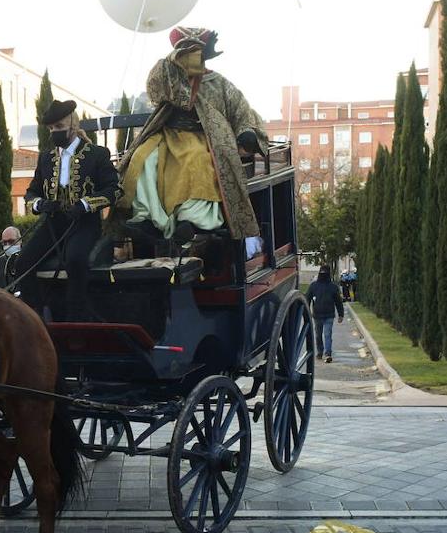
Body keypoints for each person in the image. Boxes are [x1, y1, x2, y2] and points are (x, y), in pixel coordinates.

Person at [117, 27, 268, 245]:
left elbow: (241, 110)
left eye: (196, 52)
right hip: (167, 135)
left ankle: (192, 218)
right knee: (142, 158)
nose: (192, 57)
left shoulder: (220, 83)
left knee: (196, 160)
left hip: (204, 139)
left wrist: (246, 132)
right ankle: (146, 217)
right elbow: (155, 89)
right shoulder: (169, 77)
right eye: (187, 52)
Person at [16, 99, 121, 320]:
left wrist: (84, 204)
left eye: (59, 128)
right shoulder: (46, 158)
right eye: (52, 128)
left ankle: (77, 319)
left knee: (75, 259)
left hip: (84, 223)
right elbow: (31, 192)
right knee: (23, 261)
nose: (55, 132)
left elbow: (114, 190)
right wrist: (39, 204)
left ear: (73, 126)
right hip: (54, 224)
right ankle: (33, 316)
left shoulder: (97, 154)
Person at [306, 266, 345, 363]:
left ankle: (328, 353)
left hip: (329, 315)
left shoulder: (333, 287)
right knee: (318, 335)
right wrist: (306, 312)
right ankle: (320, 352)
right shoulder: (313, 286)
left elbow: (338, 302)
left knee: (327, 334)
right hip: (317, 315)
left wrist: (341, 314)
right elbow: (307, 299)